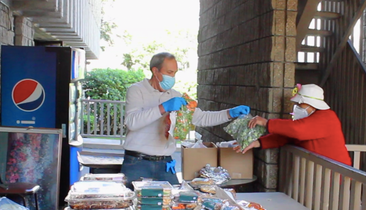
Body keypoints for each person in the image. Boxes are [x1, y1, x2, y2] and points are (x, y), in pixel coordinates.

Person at [121, 52, 250, 188]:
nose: (172, 77)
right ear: (155, 71)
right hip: (137, 162)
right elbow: (132, 122)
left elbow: (201, 118)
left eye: (174, 73)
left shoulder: (176, 96)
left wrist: (230, 113)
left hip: (165, 164)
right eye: (169, 72)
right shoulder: (136, 90)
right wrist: (164, 107)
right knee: (133, 204)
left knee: (174, 204)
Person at [237, 83, 351, 166]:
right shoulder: (311, 119)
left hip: (335, 177)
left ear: (311, 104)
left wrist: (266, 123)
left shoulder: (327, 117)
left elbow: (297, 130)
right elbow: (287, 137)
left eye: (299, 104)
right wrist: (257, 142)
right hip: (320, 174)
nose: (296, 107)